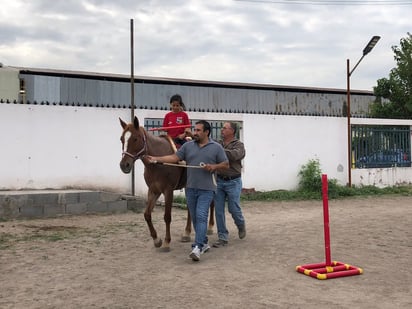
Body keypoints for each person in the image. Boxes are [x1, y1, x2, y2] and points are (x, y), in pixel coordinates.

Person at [146, 120, 229, 262]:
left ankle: (197, 247)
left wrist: (214, 167)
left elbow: (226, 165)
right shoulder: (188, 146)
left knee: (201, 215)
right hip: (191, 188)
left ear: (206, 132)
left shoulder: (216, 147)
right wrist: (155, 159)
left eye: (198, 130)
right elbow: (174, 157)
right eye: (195, 130)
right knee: (196, 218)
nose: (194, 132)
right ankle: (203, 242)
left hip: (207, 189)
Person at [213, 121, 246, 248]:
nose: (222, 130)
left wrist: (217, 149)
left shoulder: (239, 145)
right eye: (222, 128)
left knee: (233, 208)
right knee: (219, 210)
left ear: (232, 131)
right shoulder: (218, 143)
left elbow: (234, 156)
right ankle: (222, 237)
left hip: (234, 181)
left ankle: (240, 224)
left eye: (224, 128)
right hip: (219, 181)